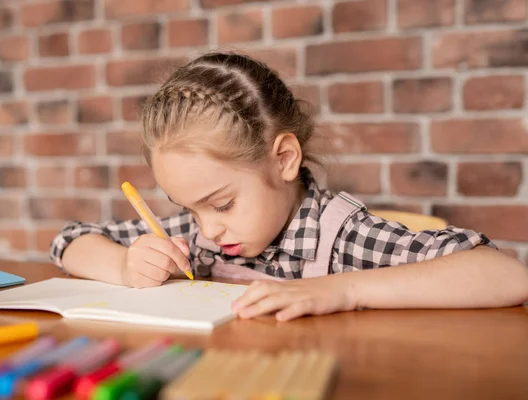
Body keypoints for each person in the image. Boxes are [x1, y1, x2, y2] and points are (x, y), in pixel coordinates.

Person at [50, 52, 528, 322]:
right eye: (189, 209)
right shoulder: (197, 237)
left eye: (222, 203)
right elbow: (68, 241)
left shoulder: (342, 237)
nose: (208, 230)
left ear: (283, 158)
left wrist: (340, 290)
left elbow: (507, 276)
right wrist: (123, 263)